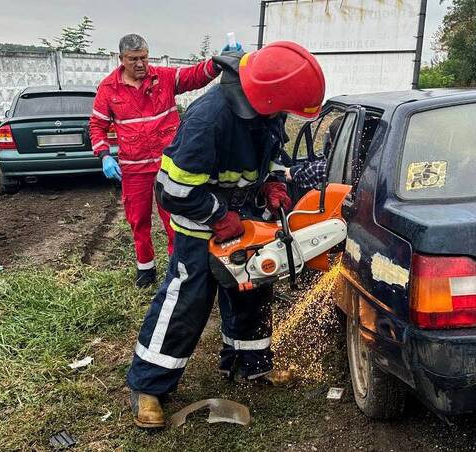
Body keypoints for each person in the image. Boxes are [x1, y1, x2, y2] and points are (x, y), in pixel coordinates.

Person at [126, 41, 326, 428]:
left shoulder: (264, 108)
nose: (286, 116)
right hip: (200, 227)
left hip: (246, 219)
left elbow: (268, 155)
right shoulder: (209, 119)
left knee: (253, 290)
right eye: (286, 110)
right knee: (189, 299)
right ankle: (149, 385)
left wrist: (270, 183)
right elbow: (173, 190)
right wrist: (218, 216)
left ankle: (247, 365)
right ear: (270, 96)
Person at [89, 33, 221, 288]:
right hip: (133, 169)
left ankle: (178, 268)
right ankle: (145, 269)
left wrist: (218, 62)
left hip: (167, 167)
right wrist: (104, 155)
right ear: (121, 59)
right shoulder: (108, 89)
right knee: (138, 221)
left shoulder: (164, 78)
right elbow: (97, 126)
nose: (140, 64)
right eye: (133, 59)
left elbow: (194, 76)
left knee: (175, 220)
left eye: (144, 58)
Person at [285, 116, 342, 190]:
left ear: (331, 141)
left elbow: (290, 174)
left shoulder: (321, 169)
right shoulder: (357, 168)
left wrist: (288, 171)